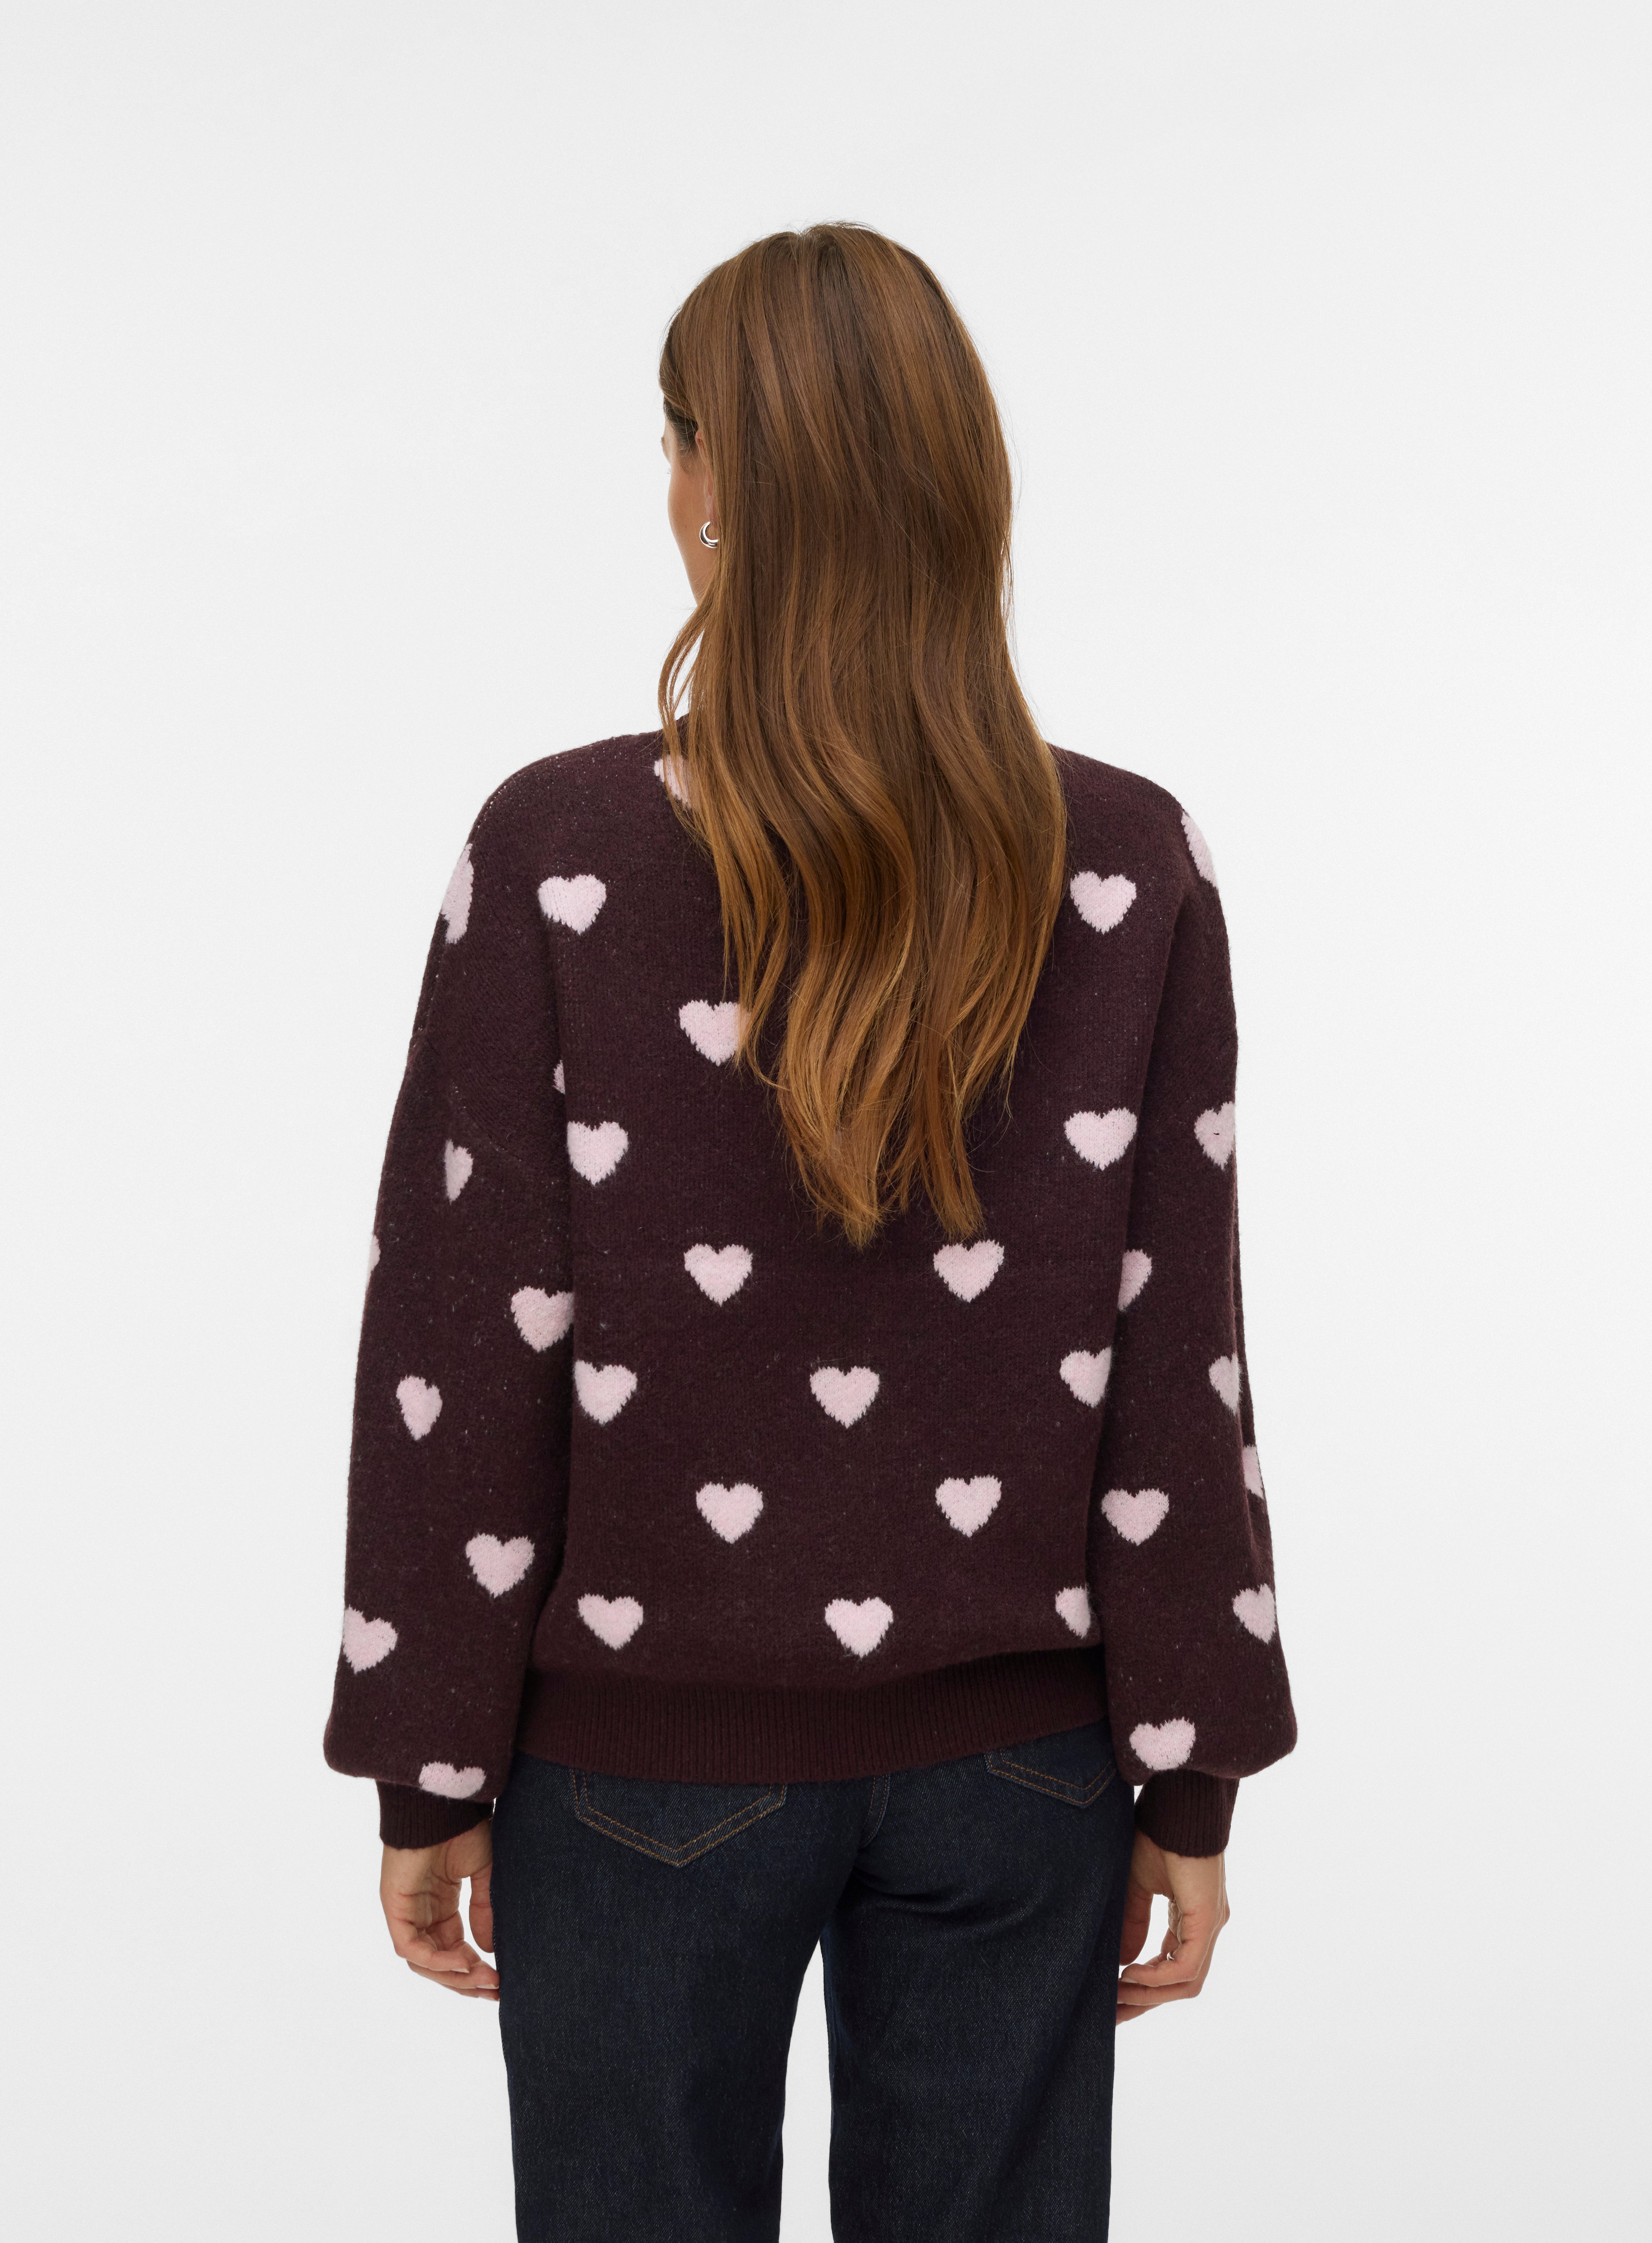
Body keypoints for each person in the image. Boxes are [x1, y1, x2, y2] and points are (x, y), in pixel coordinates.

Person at [324, 221, 1296, 2243]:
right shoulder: (1130, 863)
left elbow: (464, 1339)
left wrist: (431, 1761)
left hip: (634, 1769)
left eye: (673, 442)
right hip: (1027, 1771)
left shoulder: (559, 850)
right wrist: (1189, 1771)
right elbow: (1176, 1359)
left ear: (716, 490)